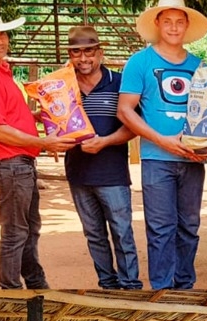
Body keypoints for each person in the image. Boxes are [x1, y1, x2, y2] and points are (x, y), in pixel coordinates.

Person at [0, 1, 75, 289]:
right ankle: (12, 289)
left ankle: (35, 283)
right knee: (16, 232)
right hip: (9, 164)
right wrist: (42, 141)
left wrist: (38, 115)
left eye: (2, 34)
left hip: (18, 164)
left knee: (28, 229)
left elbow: (8, 117)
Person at [118, 0, 207, 290]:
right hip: (156, 160)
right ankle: (161, 287)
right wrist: (162, 141)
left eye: (179, 21)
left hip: (192, 161)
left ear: (187, 25)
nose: (173, 27)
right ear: (157, 23)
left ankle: (184, 285)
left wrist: (203, 147)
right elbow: (125, 110)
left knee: (189, 228)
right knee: (160, 228)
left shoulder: (200, 66)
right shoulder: (140, 62)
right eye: (167, 21)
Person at [63, 26, 141, 291]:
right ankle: (107, 285)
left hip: (112, 174)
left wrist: (106, 141)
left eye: (88, 51)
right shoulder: (62, 87)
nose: (83, 58)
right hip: (78, 173)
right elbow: (56, 125)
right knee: (94, 235)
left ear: (100, 52)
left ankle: (131, 286)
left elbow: (135, 125)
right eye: (76, 52)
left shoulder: (120, 83)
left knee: (122, 233)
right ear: (70, 55)